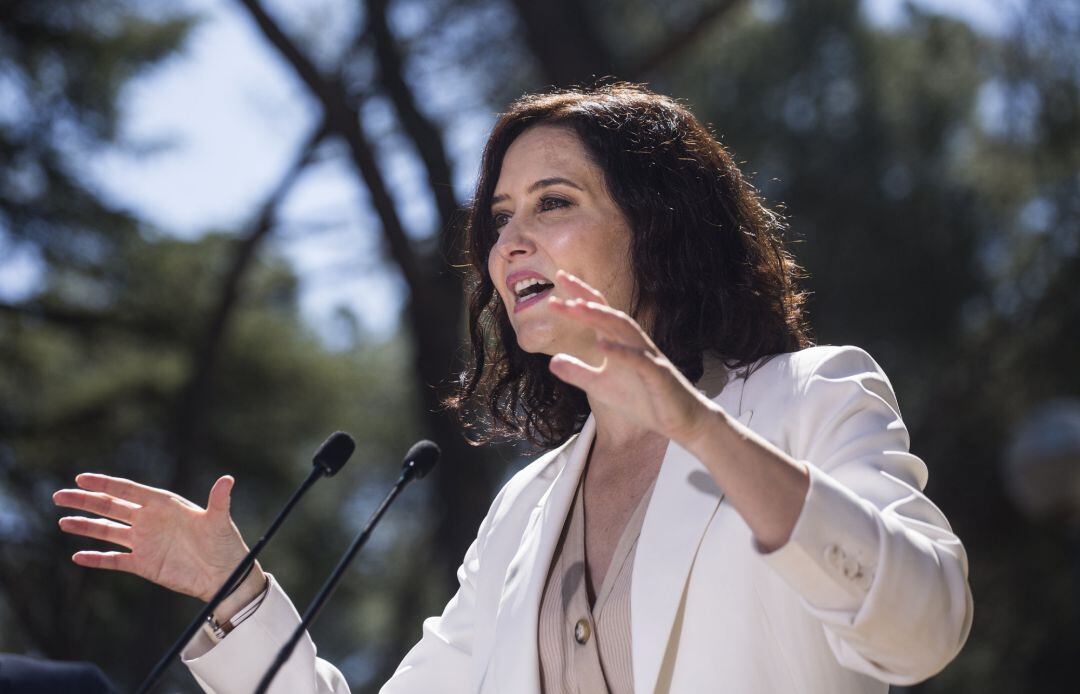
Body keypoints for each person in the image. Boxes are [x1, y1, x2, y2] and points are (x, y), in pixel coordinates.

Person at [53, 83, 973, 693]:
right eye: (500, 218)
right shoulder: (527, 509)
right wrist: (237, 593)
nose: (510, 244)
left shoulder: (810, 396)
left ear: (655, 232)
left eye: (554, 203)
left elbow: (923, 627)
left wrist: (698, 427)